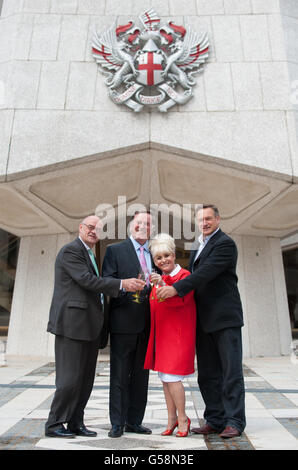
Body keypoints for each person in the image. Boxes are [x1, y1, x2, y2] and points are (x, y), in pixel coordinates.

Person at [45, 215, 145, 438]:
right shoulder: (71, 251)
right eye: (90, 227)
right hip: (72, 325)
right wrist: (122, 284)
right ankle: (54, 424)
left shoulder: (89, 253)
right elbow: (87, 281)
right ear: (80, 228)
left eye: (98, 229)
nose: (93, 231)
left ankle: (75, 422)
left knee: (84, 380)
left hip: (89, 326)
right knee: (69, 380)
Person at [157, 205, 246, 439]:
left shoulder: (225, 244)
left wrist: (176, 288)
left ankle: (235, 421)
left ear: (218, 219)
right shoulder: (198, 244)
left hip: (224, 317)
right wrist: (167, 277)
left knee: (230, 371)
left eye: (208, 218)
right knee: (207, 373)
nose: (204, 222)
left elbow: (205, 273)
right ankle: (215, 419)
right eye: (201, 219)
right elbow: (191, 273)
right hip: (202, 319)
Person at [102, 210, 156, 438]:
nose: (144, 226)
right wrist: (124, 285)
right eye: (140, 222)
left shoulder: (155, 252)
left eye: (148, 223)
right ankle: (117, 422)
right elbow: (105, 282)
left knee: (141, 376)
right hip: (123, 322)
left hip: (148, 324)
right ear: (132, 226)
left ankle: (135, 421)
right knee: (120, 375)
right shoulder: (115, 250)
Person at [144, 233, 196, 437]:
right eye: (158, 258)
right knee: (165, 379)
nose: (163, 260)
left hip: (178, 335)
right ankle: (171, 418)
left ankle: (183, 417)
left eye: (166, 255)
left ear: (174, 255)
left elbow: (176, 299)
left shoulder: (184, 276)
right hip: (163, 335)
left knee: (173, 378)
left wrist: (162, 285)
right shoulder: (161, 278)